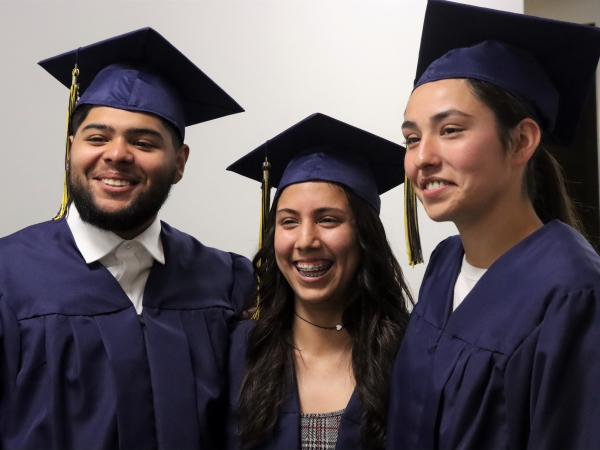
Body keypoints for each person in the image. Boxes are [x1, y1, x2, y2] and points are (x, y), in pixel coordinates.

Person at [0, 28, 254, 449]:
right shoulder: (9, 278)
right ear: (69, 150)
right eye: (97, 137)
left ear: (179, 162)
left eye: (143, 141)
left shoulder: (228, 281)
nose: (117, 154)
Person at [386, 1, 600, 449]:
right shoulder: (445, 264)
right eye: (412, 138)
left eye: (450, 130)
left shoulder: (574, 295)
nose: (422, 157)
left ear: (521, 140)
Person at [226, 113, 414, 450]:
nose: (305, 240)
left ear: (364, 234)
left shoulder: (411, 354)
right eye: (289, 221)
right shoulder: (238, 352)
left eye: (328, 219)